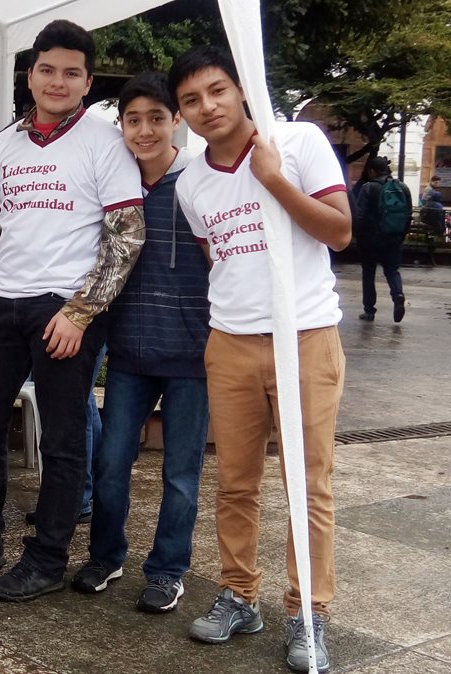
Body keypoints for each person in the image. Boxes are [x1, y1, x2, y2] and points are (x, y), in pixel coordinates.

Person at [0, 20, 145, 603]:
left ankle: (48, 558)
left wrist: (81, 313)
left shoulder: (106, 140)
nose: (58, 81)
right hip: (4, 303)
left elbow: (126, 234)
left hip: (66, 308)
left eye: (72, 73)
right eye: (47, 70)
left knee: (61, 440)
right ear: (31, 75)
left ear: (87, 81)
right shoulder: (7, 142)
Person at [168, 46, 350, 673]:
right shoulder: (190, 181)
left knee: (308, 483)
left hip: (305, 334)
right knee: (236, 481)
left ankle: (309, 612)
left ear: (242, 89)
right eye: (191, 100)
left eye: (216, 91)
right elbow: (216, 253)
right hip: (232, 342)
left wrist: (274, 180)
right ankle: (239, 594)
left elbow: (340, 231)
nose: (206, 107)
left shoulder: (296, 143)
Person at [69, 72, 209, 615]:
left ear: (177, 119)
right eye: (133, 120)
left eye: (157, 117)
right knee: (110, 461)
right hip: (128, 353)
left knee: (180, 472)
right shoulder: (115, 181)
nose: (144, 130)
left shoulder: (199, 182)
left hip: (192, 355)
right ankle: (106, 555)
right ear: (120, 125)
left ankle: (168, 570)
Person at [354, 156, 411, 323]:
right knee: (392, 270)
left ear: (371, 171)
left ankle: (369, 310)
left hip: (370, 239)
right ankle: (397, 294)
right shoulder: (402, 187)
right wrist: (400, 235)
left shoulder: (368, 188)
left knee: (369, 273)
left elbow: (360, 214)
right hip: (393, 237)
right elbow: (408, 215)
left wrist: (358, 234)